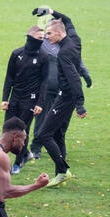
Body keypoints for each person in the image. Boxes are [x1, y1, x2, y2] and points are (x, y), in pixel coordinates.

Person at [29, 9, 92, 160]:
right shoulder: (43, 44)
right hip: (49, 87)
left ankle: (59, 152)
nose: (46, 35)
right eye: (46, 32)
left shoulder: (70, 44)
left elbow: (77, 61)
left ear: (59, 32)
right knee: (42, 118)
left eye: (50, 32)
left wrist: (85, 73)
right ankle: (36, 147)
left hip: (65, 90)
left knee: (62, 123)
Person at [1, 26, 49, 174]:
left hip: (31, 99)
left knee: (22, 130)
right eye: (40, 38)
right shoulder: (17, 53)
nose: (43, 41)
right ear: (30, 37)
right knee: (8, 129)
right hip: (15, 97)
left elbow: (44, 82)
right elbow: (9, 77)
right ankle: (24, 154)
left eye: (43, 38)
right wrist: (5, 99)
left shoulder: (43, 56)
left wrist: (40, 103)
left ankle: (18, 162)